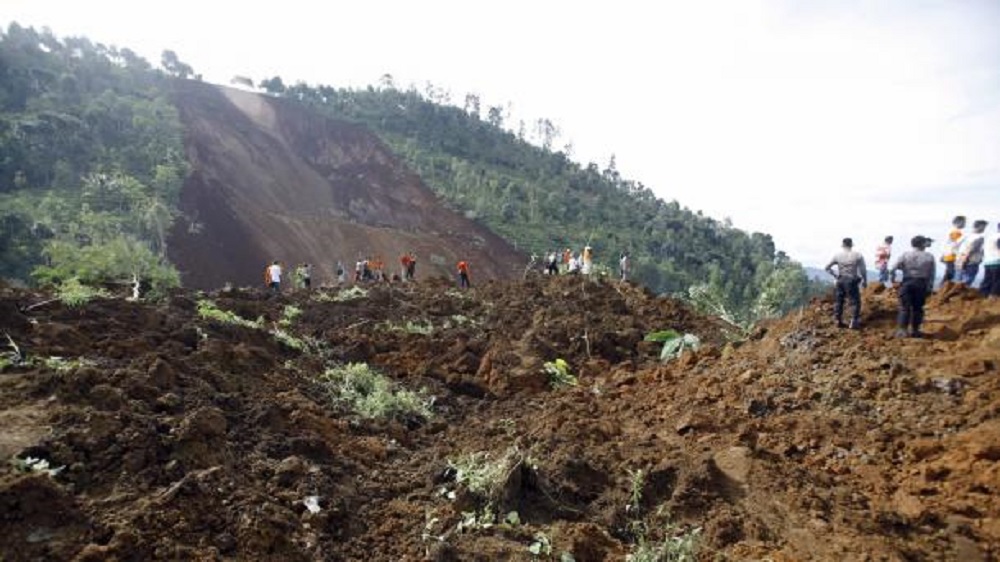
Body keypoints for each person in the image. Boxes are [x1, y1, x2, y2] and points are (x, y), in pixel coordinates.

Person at [892, 235, 936, 338]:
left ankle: (902, 331)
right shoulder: (929, 256)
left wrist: (893, 279)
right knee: (918, 308)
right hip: (921, 283)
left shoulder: (905, 255)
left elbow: (893, 268)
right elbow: (932, 274)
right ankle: (915, 330)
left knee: (904, 308)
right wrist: (930, 287)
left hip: (907, 282)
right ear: (922, 244)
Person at [824, 237, 867, 329]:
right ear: (851, 245)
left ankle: (838, 320)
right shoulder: (858, 255)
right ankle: (853, 321)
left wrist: (836, 275)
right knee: (855, 302)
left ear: (843, 245)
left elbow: (827, 267)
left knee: (839, 301)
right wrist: (864, 280)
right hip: (851, 281)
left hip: (840, 280)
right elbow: (863, 270)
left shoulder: (837, 255)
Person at [956, 220, 987, 286]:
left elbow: (956, 245)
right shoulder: (979, 238)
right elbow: (971, 249)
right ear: (979, 226)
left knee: (958, 280)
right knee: (967, 281)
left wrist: (961, 259)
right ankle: (961, 295)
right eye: (984, 227)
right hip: (971, 261)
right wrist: (965, 259)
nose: (984, 229)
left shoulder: (965, 236)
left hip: (959, 259)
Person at [941, 215, 966, 284]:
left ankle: (942, 289)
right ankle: (943, 289)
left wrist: (943, 255)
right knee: (951, 274)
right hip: (953, 255)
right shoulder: (956, 232)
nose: (965, 224)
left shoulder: (951, 231)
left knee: (949, 274)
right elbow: (956, 244)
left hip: (948, 254)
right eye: (964, 222)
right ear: (958, 222)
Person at [981, 222, 1000, 298]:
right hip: (997, 262)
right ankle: (993, 297)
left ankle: (982, 296)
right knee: (997, 281)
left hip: (988, 262)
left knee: (987, 281)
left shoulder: (990, 237)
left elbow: (983, 250)